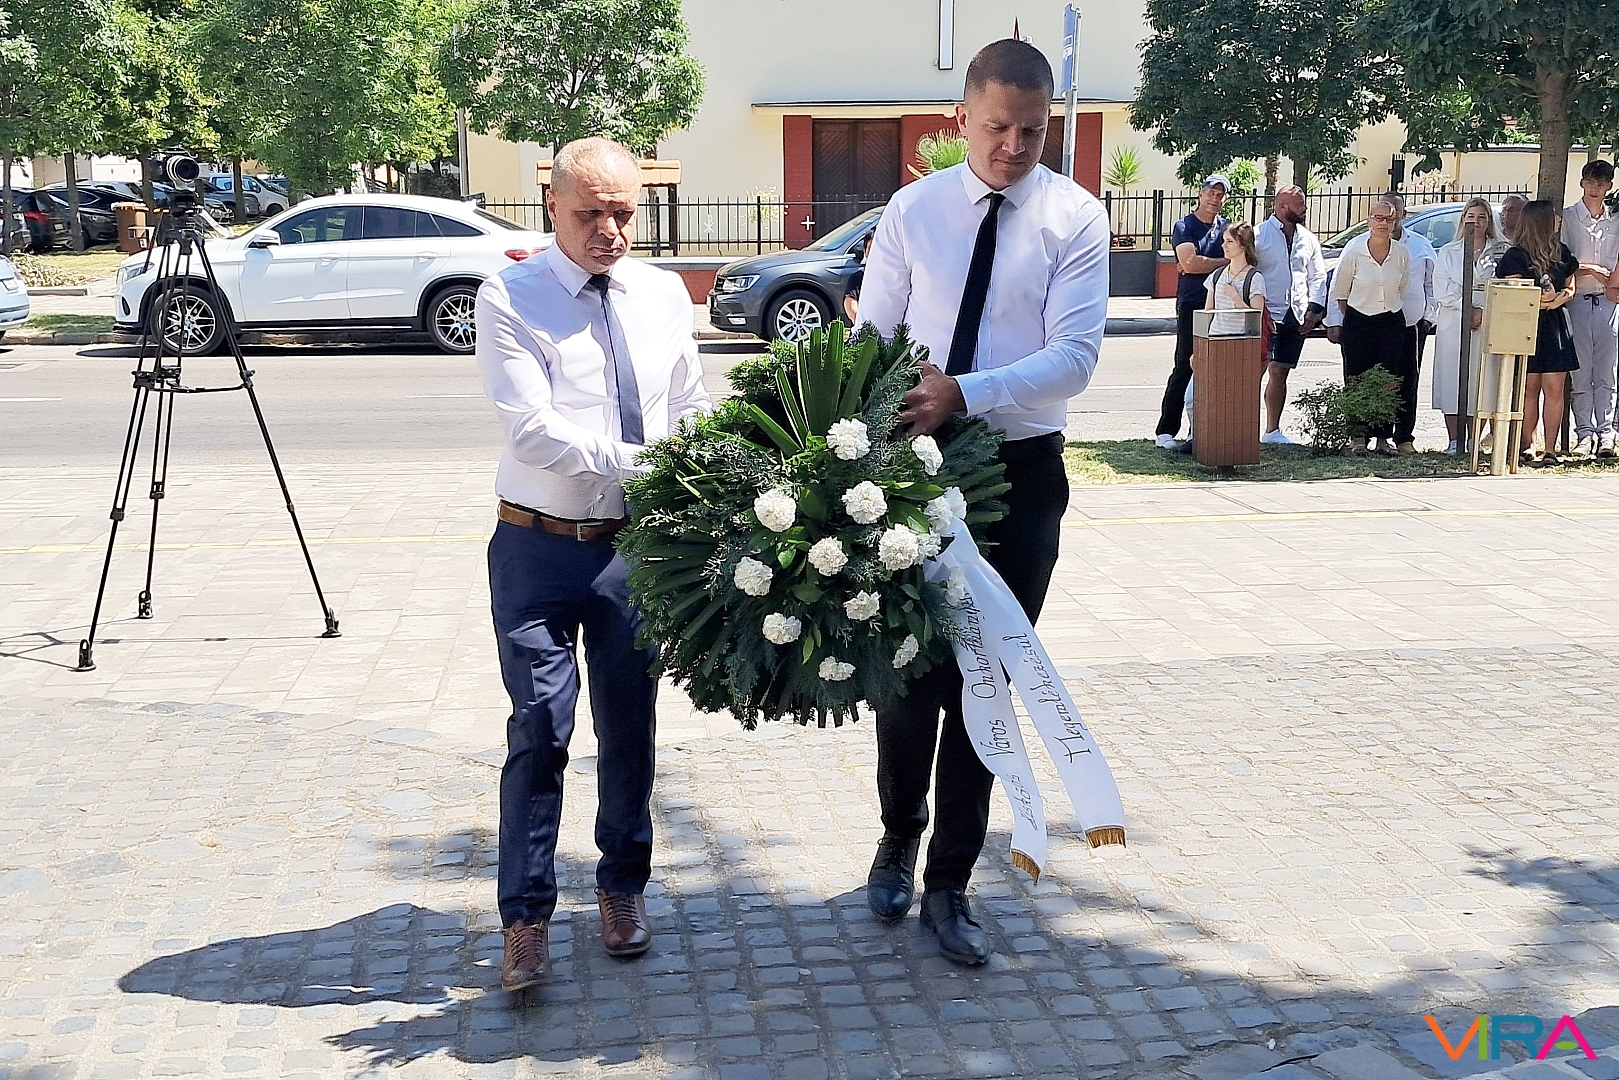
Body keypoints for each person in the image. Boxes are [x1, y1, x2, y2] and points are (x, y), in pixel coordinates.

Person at [857, 38, 1108, 966]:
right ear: (960, 118)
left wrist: (963, 391)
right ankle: (897, 834)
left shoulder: (1074, 218)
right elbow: (873, 334)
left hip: (1020, 475)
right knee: (903, 669)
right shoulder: (912, 210)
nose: (1013, 147)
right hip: (915, 468)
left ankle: (951, 881)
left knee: (985, 675)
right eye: (997, 127)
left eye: (1031, 132)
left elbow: (1074, 359)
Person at [474, 137, 712, 991]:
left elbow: (687, 403)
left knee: (628, 725)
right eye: (590, 214)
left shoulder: (661, 294)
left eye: (623, 213)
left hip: (631, 549)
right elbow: (532, 429)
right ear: (552, 206)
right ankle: (525, 917)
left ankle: (621, 888)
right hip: (535, 546)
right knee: (540, 728)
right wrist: (651, 465)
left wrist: (703, 469)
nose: (609, 230)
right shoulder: (510, 295)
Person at [1325, 193, 1435, 453]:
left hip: (1391, 321)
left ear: (1396, 221)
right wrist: (1356, 315)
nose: (1383, 223)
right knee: (1357, 377)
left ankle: (1384, 439)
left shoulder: (1402, 253)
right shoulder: (1354, 250)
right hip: (1359, 321)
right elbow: (1340, 291)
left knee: (1389, 379)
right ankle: (1358, 437)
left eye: (1388, 219)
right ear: (1369, 220)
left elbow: (1403, 285)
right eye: (1378, 218)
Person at [1496, 199, 1580, 465]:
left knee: (1555, 389)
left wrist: (1560, 298)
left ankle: (1551, 449)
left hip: (1556, 325)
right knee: (1528, 388)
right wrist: (1541, 300)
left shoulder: (1562, 252)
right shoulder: (1515, 255)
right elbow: (1513, 288)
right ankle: (1528, 445)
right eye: (1553, 216)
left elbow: (1571, 284)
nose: (1558, 220)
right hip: (1527, 324)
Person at [1155, 175, 1230, 448]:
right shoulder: (1184, 226)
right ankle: (1165, 431)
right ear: (1201, 194)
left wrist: (1203, 263)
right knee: (1186, 363)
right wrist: (1223, 261)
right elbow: (1188, 262)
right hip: (1192, 302)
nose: (1214, 198)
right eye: (1211, 192)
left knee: (1216, 367)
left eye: (1220, 194)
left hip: (1222, 304)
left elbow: (1241, 257)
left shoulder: (1227, 228)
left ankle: (1198, 430)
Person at [1432, 198, 1510, 452]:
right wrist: (1467, 308)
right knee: (1452, 377)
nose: (1475, 222)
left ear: (1489, 221)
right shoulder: (1448, 251)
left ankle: (1474, 439)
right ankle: (1455, 440)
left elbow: (1505, 285)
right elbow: (1442, 288)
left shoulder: (1500, 251)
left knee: (1483, 379)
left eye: (1481, 217)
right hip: (1454, 320)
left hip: (1488, 318)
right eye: (1471, 216)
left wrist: (1482, 311)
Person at [1253, 186, 1327, 443]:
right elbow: (1247, 272)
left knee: (1280, 371)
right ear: (1282, 206)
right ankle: (1244, 427)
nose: (1305, 209)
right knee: (1254, 372)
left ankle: (1272, 431)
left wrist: (1314, 310)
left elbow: (1317, 276)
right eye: (1300, 204)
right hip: (1266, 314)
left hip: (1296, 315)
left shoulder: (1308, 238)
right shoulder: (1259, 235)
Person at [1563, 160, 1618, 458]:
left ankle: (1606, 432)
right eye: (1591, 182)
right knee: (1581, 371)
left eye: (1601, 183)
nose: (1595, 188)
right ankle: (1584, 433)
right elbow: (1563, 260)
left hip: (1609, 300)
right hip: (1578, 300)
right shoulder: (1569, 218)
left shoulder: (1615, 220)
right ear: (1582, 183)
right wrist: (1590, 269)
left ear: (1609, 186)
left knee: (1607, 370)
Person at [1205, 222, 1266, 336]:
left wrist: (1235, 297)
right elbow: (1207, 313)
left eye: (1230, 241)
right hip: (1214, 338)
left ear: (1243, 245)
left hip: (1239, 341)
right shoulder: (1216, 275)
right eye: (1224, 240)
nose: (1223, 245)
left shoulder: (1254, 278)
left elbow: (1255, 320)